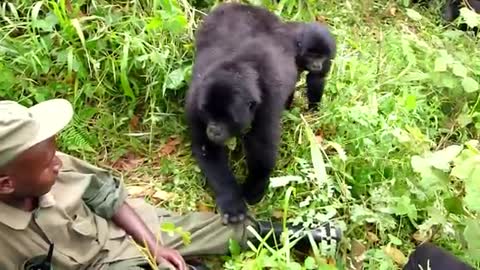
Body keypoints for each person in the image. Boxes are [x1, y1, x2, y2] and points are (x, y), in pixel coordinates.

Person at [0, 98, 341, 270]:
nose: (58, 163)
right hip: (103, 265)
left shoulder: (55, 168)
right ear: (6, 184)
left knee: (215, 228)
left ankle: (294, 233)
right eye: (47, 164)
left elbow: (107, 196)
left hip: (123, 230)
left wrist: (153, 246)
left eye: (55, 155)